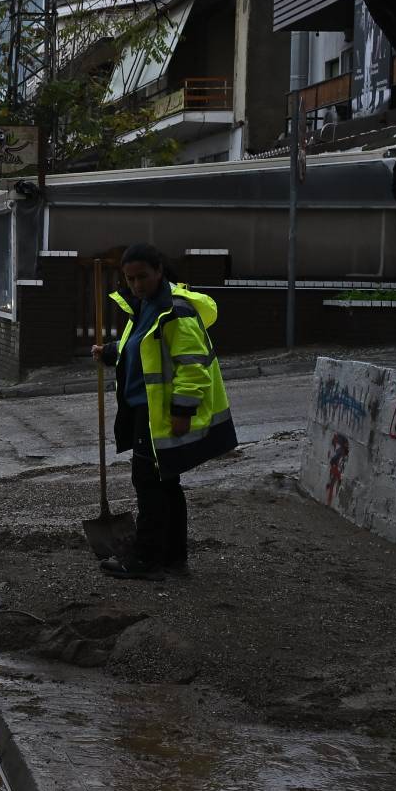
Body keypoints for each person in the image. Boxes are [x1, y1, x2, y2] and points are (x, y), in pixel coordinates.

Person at [92, 243, 237, 580]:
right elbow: (140, 346)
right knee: (166, 482)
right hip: (145, 409)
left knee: (149, 484)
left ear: (159, 271)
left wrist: (182, 411)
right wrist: (112, 352)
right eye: (130, 279)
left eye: (143, 276)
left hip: (158, 413)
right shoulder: (144, 306)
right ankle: (173, 557)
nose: (137, 285)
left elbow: (192, 366)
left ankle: (146, 559)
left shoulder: (175, 310)